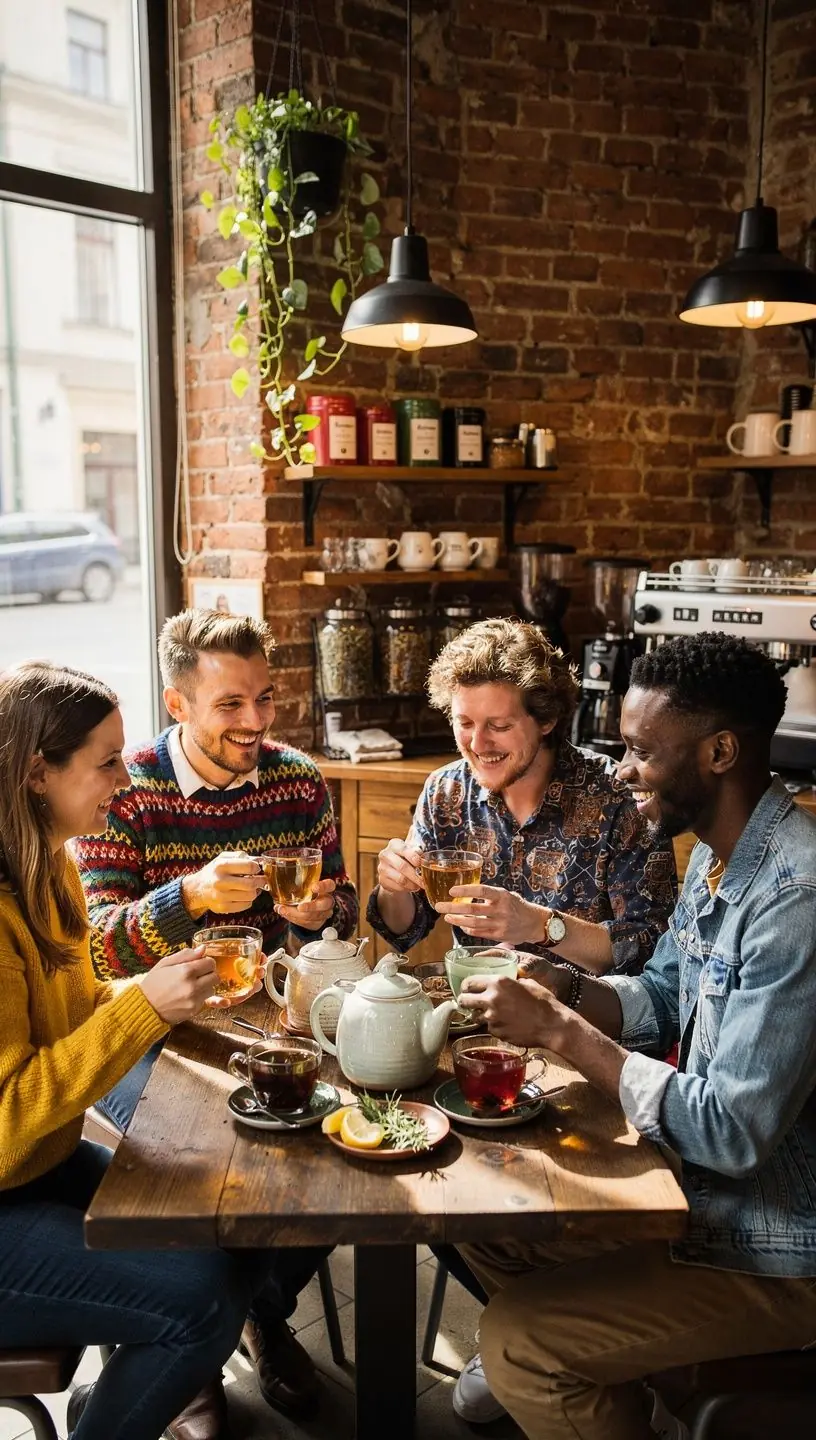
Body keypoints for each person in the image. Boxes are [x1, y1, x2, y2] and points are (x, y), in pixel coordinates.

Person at [451, 632, 816, 1440]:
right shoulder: (717, 862)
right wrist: (566, 987)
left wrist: (564, 1033)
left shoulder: (796, 897)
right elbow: (658, 994)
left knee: (518, 1344)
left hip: (779, 1251)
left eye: (642, 750)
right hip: (702, 1202)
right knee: (486, 1223)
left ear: (720, 752)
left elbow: (732, 1131)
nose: (620, 767)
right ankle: (625, 1397)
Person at [72, 608, 358, 1422]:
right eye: (231, 705)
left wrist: (320, 919)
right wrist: (188, 895)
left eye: (265, 699)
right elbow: (97, 949)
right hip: (145, 1027)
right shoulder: (124, 789)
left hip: (268, 1015)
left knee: (330, 1154)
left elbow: (335, 913)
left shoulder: (297, 779)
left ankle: (253, 1316)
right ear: (178, 704)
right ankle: (197, 1346)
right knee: (188, 1160)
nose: (257, 723)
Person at [0, 661, 281, 1440]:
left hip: (39, 1170)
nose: (125, 781)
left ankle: (121, 1404)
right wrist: (145, 1008)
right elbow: (6, 1118)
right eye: (107, 762)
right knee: (197, 1299)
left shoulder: (46, 865)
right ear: (36, 773)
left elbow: (80, 1008)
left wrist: (159, 991)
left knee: (237, 1226)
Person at [369, 616, 676, 974]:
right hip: (478, 1015)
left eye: (499, 726)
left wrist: (540, 926)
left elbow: (650, 948)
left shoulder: (620, 797)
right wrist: (394, 887)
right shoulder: (445, 791)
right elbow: (405, 927)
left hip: (586, 1019)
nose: (478, 744)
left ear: (546, 720)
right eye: (464, 723)